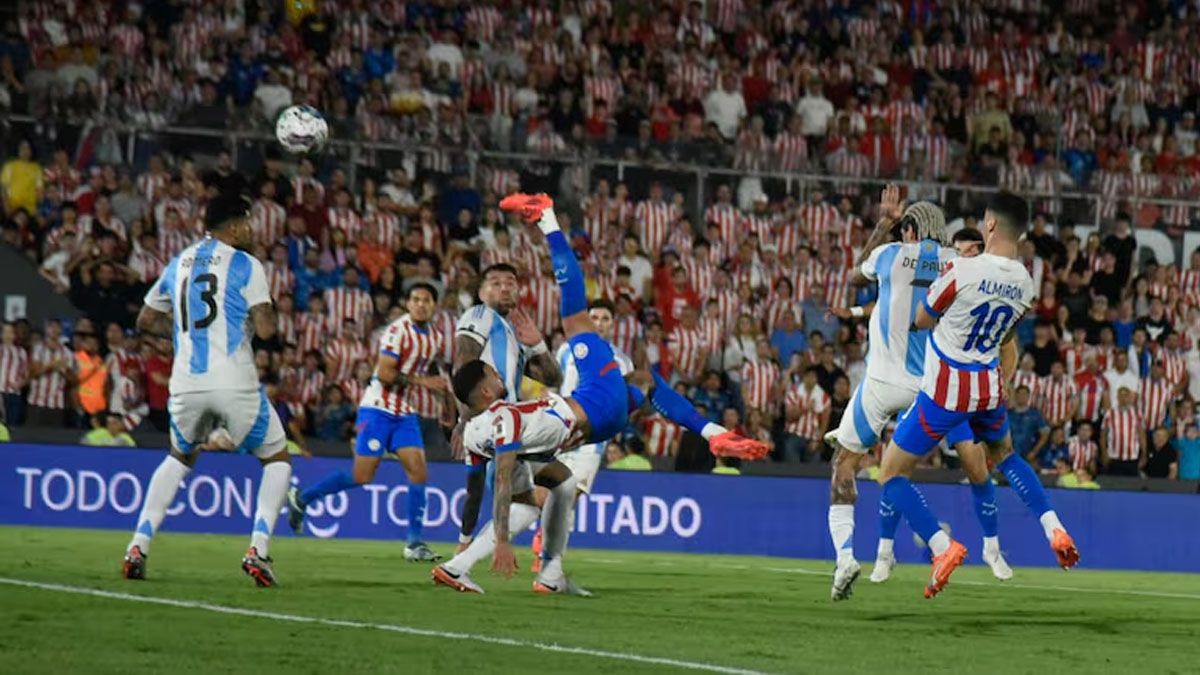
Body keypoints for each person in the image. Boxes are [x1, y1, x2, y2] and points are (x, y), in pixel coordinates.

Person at [433, 193, 767, 596]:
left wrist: (533, 350)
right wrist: (502, 541)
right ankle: (548, 219)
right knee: (593, 335)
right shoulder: (506, 414)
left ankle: (532, 571)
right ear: (485, 389)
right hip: (587, 412)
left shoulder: (487, 423)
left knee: (559, 485)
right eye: (490, 373)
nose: (495, 372)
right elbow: (501, 472)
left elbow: (501, 459)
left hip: (576, 422)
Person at [875, 191, 1078, 599]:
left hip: (947, 389)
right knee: (1006, 456)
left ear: (988, 225)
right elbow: (1004, 332)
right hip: (988, 386)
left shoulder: (961, 271)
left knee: (891, 474)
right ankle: (1052, 525)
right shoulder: (1024, 281)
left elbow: (921, 319)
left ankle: (940, 544)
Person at [121, 193, 292, 587]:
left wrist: (181, 331)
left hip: (186, 381)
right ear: (233, 227)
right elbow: (266, 330)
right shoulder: (247, 265)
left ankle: (137, 545)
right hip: (233, 378)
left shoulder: (179, 261)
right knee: (277, 458)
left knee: (180, 456)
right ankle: (258, 550)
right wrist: (267, 313)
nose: (252, 229)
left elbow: (146, 320)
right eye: (247, 222)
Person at [287, 283, 452, 561]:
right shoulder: (397, 331)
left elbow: (429, 371)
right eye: (415, 299)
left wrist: (445, 401)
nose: (420, 304)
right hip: (377, 409)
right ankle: (302, 498)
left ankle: (414, 544)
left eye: (426, 300)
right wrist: (424, 382)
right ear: (408, 303)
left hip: (404, 412)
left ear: (434, 305)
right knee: (362, 475)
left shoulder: (435, 337)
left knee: (419, 473)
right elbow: (386, 373)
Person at [450, 262, 562, 554]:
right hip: (493, 422)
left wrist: (538, 345)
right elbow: (464, 365)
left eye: (510, 282)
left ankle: (463, 551)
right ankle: (541, 562)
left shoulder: (512, 332)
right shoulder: (479, 315)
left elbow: (553, 378)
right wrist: (463, 420)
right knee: (551, 488)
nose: (505, 287)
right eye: (496, 282)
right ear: (481, 291)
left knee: (498, 493)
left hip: (508, 425)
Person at [529, 299, 634, 572]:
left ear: (612, 325)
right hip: (560, 428)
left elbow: (623, 401)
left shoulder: (622, 361)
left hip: (593, 439)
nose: (599, 323)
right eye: (595, 317)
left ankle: (548, 554)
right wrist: (544, 393)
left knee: (571, 493)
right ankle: (549, 552)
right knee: (545, 495)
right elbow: (554, 380)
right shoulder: (567, 349)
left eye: (605, 319)